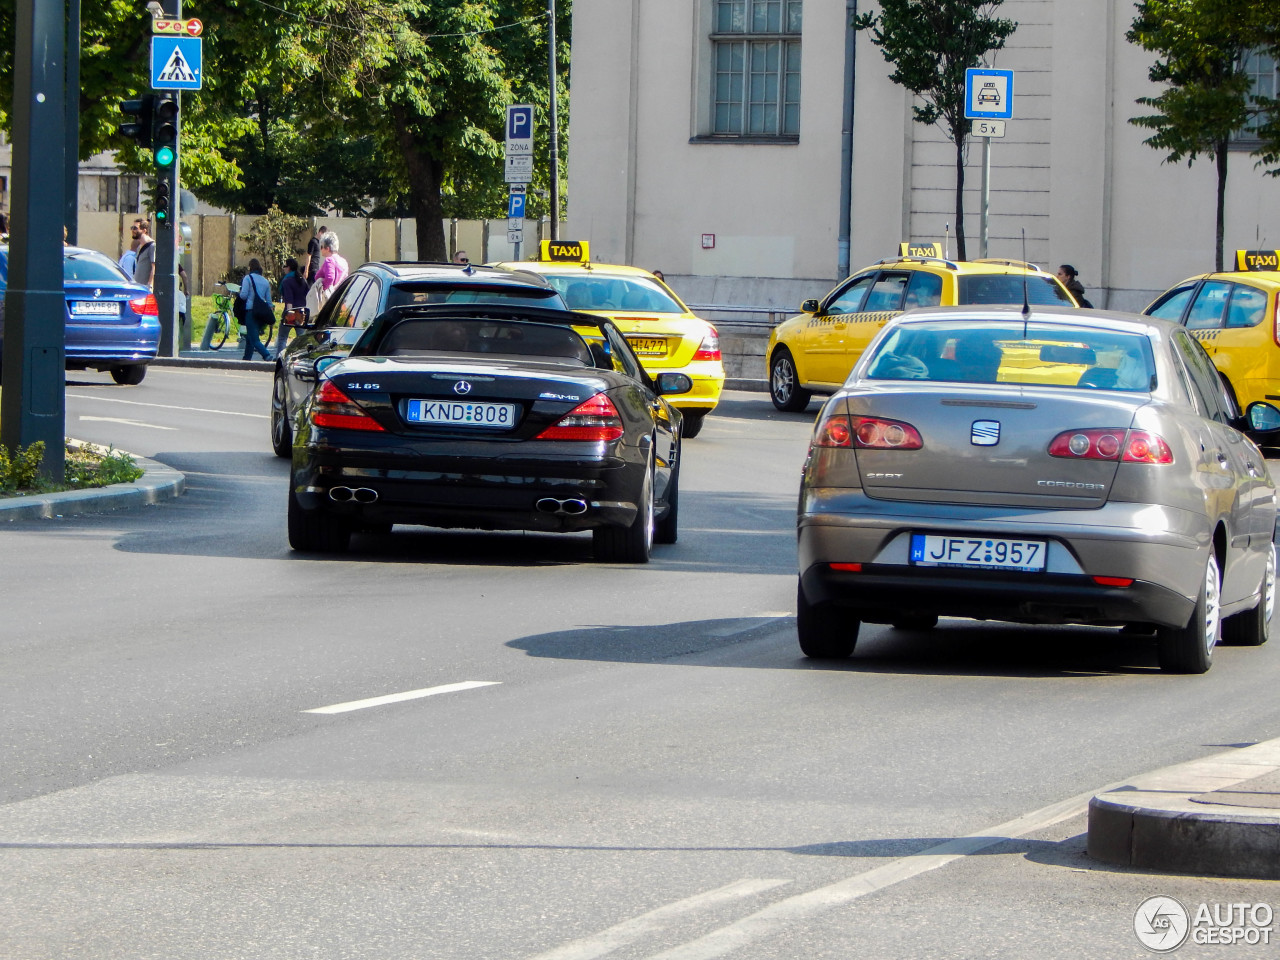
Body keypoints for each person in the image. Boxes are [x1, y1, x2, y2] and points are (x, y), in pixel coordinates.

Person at [236, 258, 274, 361]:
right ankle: (247, 358)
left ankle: (266, 355)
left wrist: (238, 293)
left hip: (251, 311)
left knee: (254, 338)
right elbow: (269, 301)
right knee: (250, 336)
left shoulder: (248, 278)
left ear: (250, 267)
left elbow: (243, 296)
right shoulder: (265, 281)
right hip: (262, 313)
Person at [276, 257, 308, 356]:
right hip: (302, 312)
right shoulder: (302, 280)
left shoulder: (287, 281)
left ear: (289, 268)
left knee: (282, 337)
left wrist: (289, 312)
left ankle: (279, 358)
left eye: (284, 266)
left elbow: (289, 298)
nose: (283, 268)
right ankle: (302, 356)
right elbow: (307, 295)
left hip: (291, 312)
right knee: (301, 338)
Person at [315, 232, 348, 299]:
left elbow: (330, 278)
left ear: (327, 248)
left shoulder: (329, 260)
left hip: (330, 298)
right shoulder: (344, 262)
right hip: (341, 297)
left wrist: (322, 289)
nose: (320, 249)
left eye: (321, 247)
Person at [133, 219, 156, 289]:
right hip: (137, 286)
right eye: (132, 228)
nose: (133, 230)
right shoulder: (139, 247)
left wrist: (149, 284)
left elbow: (154, 267)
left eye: (135, 228)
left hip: (145, 288)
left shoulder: (152, 246)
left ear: (144, 230)